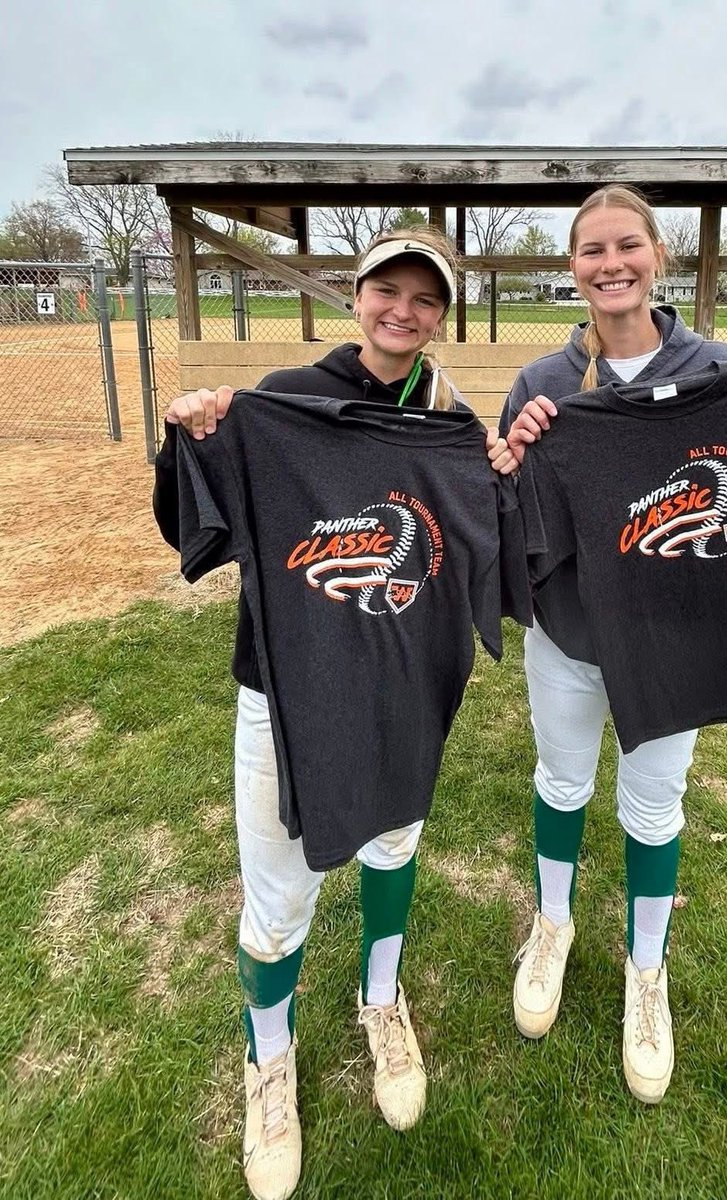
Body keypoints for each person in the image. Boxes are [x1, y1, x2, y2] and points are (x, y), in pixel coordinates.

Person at [154, 228, 519, 1200]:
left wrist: (508, 470)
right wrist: (197, 430)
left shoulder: (451, 421)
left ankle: (382, 1000)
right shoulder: (282, 406)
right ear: (356, 297)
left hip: (402, 692)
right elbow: (197, 522)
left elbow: (509, 550)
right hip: (287, 694)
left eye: (424, 297)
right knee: (278, 902)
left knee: (394, 850)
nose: (403, 310)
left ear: (443, 313)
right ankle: (266, 1065)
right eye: (385, 290)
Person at [499, 185, 727, 1106]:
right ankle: (552, 926)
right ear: (573, 268)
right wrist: (512, 452)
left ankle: (646, 972)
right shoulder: (544, 383)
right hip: (571, 635)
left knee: (654, 804)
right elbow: (505, 508)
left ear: (657, 256)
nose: (611, 264)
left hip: (675, 639)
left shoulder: (720, 370)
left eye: (628, 245)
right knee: (562, 781)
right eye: (592, 250)